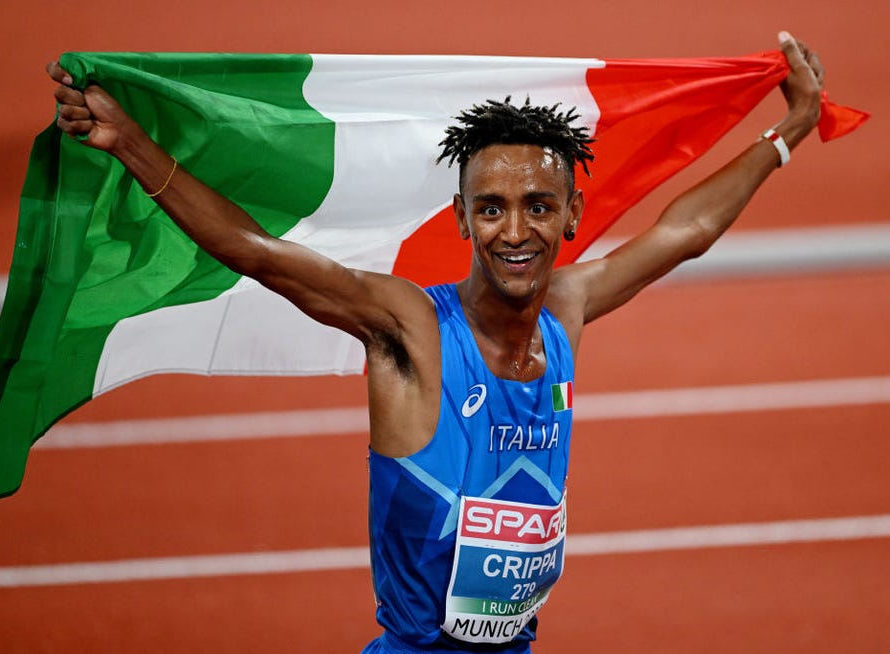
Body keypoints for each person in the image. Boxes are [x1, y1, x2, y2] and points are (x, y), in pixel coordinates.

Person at [48, 31, 823, 653]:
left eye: (536, 207)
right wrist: (130, 146)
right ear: (459, 219)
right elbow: (260, 253)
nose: (514, 232)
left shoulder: (569, 308)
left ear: (572, 214)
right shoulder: (411, 328)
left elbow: (683, 232)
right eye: (489, 209)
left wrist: (787, 132)